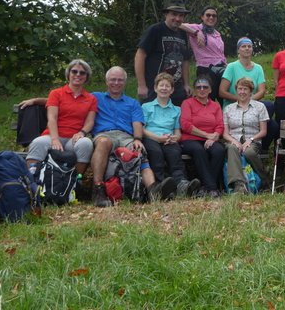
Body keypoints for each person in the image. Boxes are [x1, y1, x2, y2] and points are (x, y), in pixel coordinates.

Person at [90, 67, 176, 207]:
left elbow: (137, 123)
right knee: (104, 142)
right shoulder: (95, 97)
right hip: (104, 134)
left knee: (139, 150)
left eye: (120, 80)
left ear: (124, 82)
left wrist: (137, 139)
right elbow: (74, 100)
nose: (116, 83)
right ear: (107, 81)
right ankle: (98, 189)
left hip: (126, 136)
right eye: (113, 79)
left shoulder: (133, 103)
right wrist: (46, 101)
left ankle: (153, 190)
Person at [22, 59, 97, 176]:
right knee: (38, 142)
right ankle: (33, 182)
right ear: (68, 74)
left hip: (74, 138)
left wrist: (82, 132)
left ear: (86, 77)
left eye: (82, 73)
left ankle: (74, 182)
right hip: (53, 135)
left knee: (86, 143)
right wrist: (55, 139)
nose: (78, 75)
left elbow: (90, 121)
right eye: (74, 71)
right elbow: (52, 118)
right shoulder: (56, 93)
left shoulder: (91, 98)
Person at [141, 73, 201, 198]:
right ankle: (160, 186)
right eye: (161, 85)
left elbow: (177, 132)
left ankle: (182, 184)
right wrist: (157, 138)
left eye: (167, 86)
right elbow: (142, 129)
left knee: (174, 152)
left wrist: (175, 138)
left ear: (172, 90)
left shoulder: (176, 110)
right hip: (151, 138)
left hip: (169, 139)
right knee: (156, 153)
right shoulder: (146, 107)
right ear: (156, 88)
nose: (164, 88)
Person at [220, 36, 279, 147]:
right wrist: (241, 99)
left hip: (252, 105)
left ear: (252, 49)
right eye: (243, 46)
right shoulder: (231, 67)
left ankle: (259, 148)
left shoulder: (258, 68)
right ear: (238, 50)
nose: (247, 48)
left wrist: (248, 101)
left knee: (272, 121)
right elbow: (222, 92)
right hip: (234, 107)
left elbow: (261, 91)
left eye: (249, 46)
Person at [135, 3, 192, 106]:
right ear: (166, 15)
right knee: (150, 119)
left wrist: (186, 84)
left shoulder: (183, 34)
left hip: (176, 87)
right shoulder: (155, 30)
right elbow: (140, 55)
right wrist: (141, 85)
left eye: (181, 15)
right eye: (174, 14)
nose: (177, 18)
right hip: (155, 87)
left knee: (177, 118)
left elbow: (185, 60)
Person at [222, 78, 271, 194]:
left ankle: (264, 180)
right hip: (233, 140)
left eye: (245, 89)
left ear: (250, 91)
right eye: (240, 89)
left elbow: (263, 131)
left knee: (249, 152)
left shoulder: (260, 107)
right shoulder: (228, 109)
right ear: (236, 90)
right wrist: (234, 141)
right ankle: (239, 185)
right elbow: (225, 133)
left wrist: (251, 140)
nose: (242, 92)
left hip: (253, 141)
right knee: (232, 148)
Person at [180, 77, 226, 198]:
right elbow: (185, 125)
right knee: (199, 150)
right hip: (190, 139)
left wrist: (214, 136)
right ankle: (212, 188)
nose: (202, 89)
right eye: (198, 87)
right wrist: (206, 135)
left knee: (219, 150)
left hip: (210, 139)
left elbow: (220, 125)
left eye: (205, 87)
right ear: (194, 90)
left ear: (210, 90)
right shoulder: (187, 103)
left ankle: (204, 188)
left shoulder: (215, 106)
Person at [180, 6, 227, 101]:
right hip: (206, 69)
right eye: (208, 15)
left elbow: (221, 53)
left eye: (214, 16)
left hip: (222, 69)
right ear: (202, 17)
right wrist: (196, 32)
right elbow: (178, 24)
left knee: (224, 98)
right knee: (208, 99)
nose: (211, 17)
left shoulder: (217, 33)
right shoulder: (197, 28)